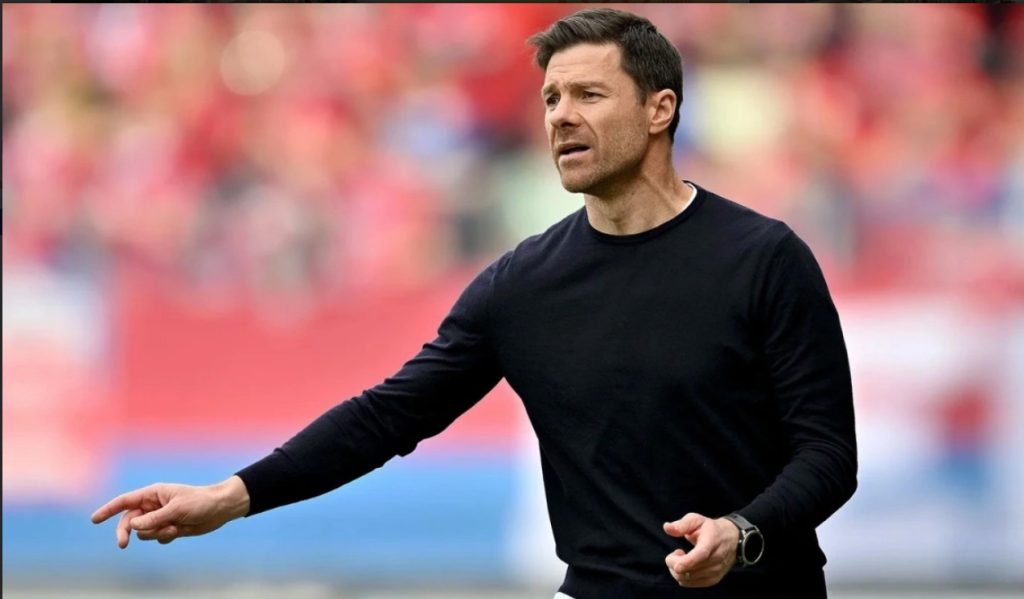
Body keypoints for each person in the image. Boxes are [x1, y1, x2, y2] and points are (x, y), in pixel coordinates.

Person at [92, 8, 857, 597]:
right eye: (551, 98)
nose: (560, 115)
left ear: (660, 110)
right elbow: (389, 415)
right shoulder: (522, 285)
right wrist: (231, 495)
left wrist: (740, 532)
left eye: (589, 94)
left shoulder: (763, 259)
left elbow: (828, 455)